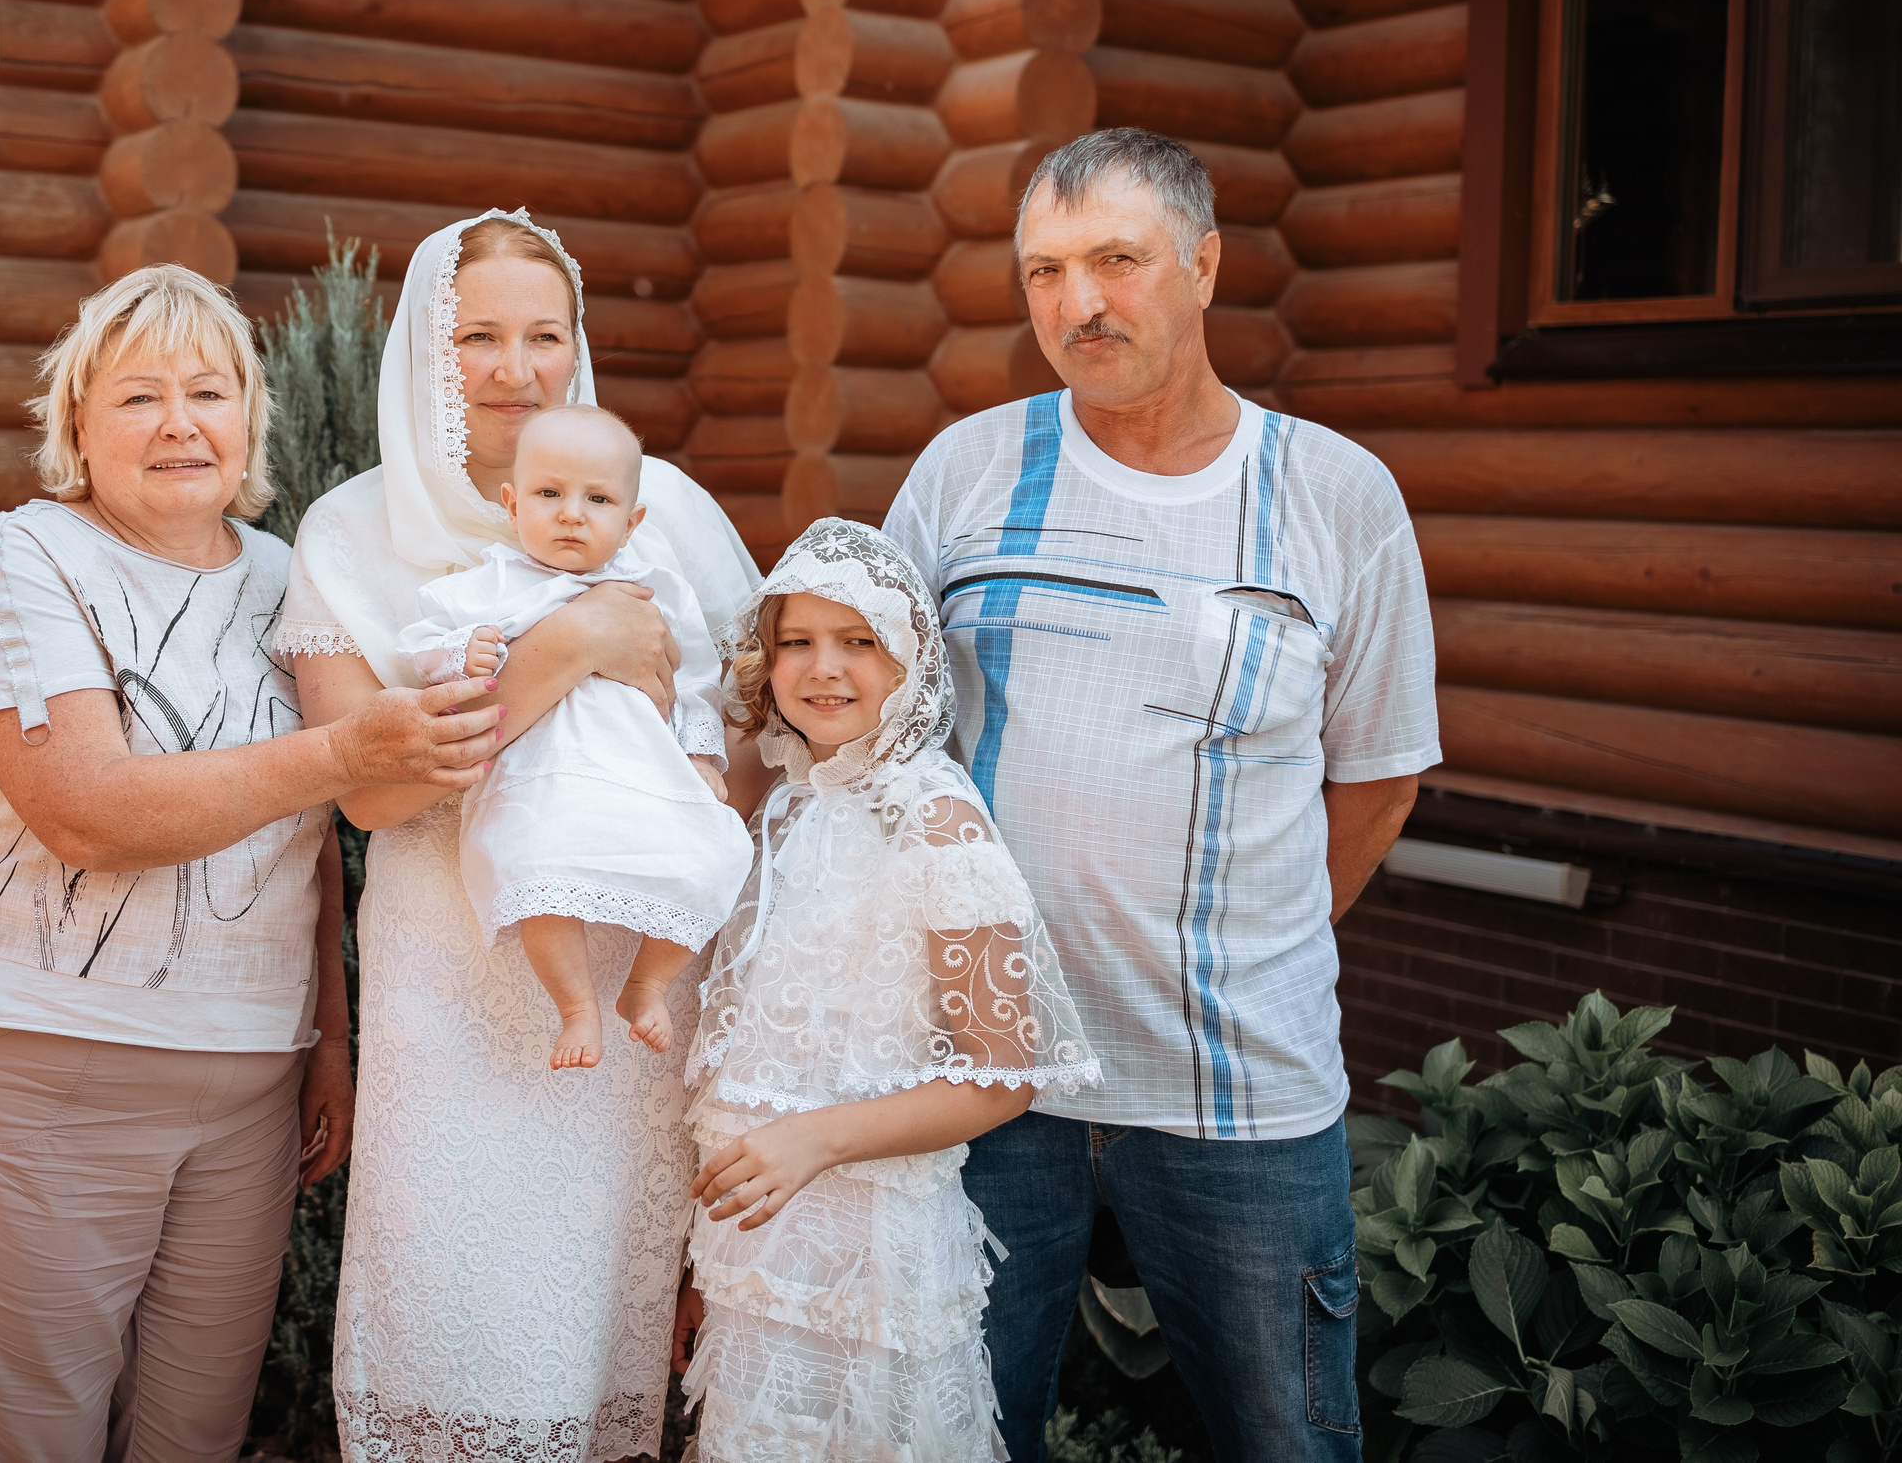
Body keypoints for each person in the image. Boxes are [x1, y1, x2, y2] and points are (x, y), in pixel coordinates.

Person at [882, 128, 1441, 1462]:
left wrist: (1244, 949)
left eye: (1117, 260)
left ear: (1202, 265)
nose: (1077, 302)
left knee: (1288, 1439)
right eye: (1044, 271)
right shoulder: (966, 473)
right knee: (955, 1430)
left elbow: (1376, 782)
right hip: (990, 1075)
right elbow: (878, 743)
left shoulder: (1335, 494)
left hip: (1237, 1091)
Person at [0, 264, 502, 1463]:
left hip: (249, 1084)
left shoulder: (290, 577)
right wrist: (343, 745)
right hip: (44, 1065)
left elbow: (319, 839)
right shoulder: (27, 560)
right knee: (36, 1441)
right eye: (138, 397)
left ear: (247, 421)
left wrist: (327, 1045)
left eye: (209, 392)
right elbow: (88, 813)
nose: (180, 423)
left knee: (195, 1435)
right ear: (77, 424)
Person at [273, 208, 762, 1463]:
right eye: (476, 336)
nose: (513, 366)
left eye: (543, 334)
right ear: (423, 356)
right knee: (453, 1300)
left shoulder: (672, 515)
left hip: (634, 978)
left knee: (598, 1324)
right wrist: (573, 648)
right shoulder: (349, 532)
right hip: (453, 972)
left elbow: (747, 744)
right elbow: (370, 795)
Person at [674, 518, 1099, 1463]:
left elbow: (1004, 1074)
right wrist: (702, 1266)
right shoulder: (786, 806)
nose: (824, 668)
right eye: (798, 641)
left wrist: (813, 1141)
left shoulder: (936, 818)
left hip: (871, 1256)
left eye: (858, 640)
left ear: (908, 656)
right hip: (757, 1253)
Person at [398, 403, 752, 1069]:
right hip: (546, 779)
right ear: (512, 502)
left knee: (714, 858)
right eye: (549, 494)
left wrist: (701, 752)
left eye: (597, 498)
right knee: (539, 877)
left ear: (632, 520)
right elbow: (425, 649)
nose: (570, 513)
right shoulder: (491, 585)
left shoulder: (653, 589)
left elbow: (698, 672)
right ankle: (576, 1006)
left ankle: (646, 983)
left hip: (640, 773)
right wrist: (463, 652)